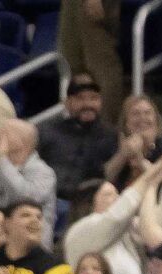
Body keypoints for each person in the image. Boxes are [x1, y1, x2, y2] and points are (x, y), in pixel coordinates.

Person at [39, 73, 118, 203]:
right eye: (80, 98)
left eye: (93, 98)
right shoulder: (47, 132)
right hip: (52, 202)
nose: (88, 104)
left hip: (94, 205)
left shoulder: (111, 136)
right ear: (67, 102)